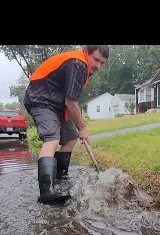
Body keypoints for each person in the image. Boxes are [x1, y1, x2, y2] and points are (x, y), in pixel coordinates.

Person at [24, 45, 109, 205]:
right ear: (86, 52)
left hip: (57, 104)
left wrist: (78, 130)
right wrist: (82, 128)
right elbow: (71, 102)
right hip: (40, 100)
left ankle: (60, 179)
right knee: (52, 138)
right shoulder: (78, 63)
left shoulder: (83, 67)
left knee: (71, 138)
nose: (98, 65)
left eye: (102, 63)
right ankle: (46, 192)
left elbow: (68, 100)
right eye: (96, 59)